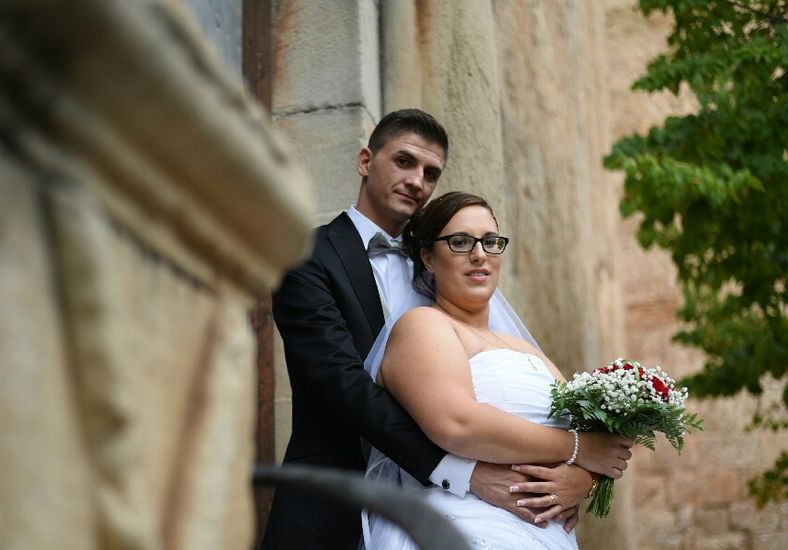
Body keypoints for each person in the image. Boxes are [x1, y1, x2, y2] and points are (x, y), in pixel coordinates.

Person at [260, 110, 629, 549]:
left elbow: (505, 393)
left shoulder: (450, 275)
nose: (417, 180)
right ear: (365, 161)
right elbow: (344, 385)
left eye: (430, 172)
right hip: (338, 498)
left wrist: (579, 479)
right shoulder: (307, 256)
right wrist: (464, 474)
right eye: (404, 162)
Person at [362, 192, 634, 549]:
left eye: (490, 242)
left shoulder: (527, 350)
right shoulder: (423, 326)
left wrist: (585, 481)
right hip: (465, 524)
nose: (480, 254)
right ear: (428, 257)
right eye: (460, 242)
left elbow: (594, 443)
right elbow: (458, 424)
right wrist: (578, 448)